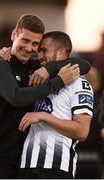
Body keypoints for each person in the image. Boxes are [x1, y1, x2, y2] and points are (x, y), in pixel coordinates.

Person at [0, 14, 90, 179]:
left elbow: (84, 65)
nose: (29, 48)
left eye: (35, 44)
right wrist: (58, 81)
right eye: (25, 40)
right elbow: (16, 97)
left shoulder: (35, 68)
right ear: (13, 35)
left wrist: (48, 69)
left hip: (20, 164)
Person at [17, 31, 94, 179]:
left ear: (61, 53)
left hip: (56, 169)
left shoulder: (80, 84)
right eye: (39, 51)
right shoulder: (39, 80)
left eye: (44, 50)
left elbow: (82, 131)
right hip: (26, 167)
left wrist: (44, 117)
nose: (39, 55)